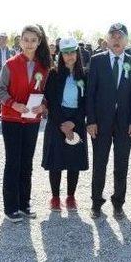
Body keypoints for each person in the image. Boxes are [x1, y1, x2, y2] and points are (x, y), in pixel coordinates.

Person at [0, 25, 51, 222]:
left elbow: (48, 93)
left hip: (32, 121)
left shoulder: (44, 66)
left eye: (33, 40)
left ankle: (24, 203)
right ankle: (11, 207)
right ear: (20, 41)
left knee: (26, 163)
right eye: (26, 39)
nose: (29, 43)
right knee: (13, 162)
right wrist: (12, 104)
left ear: (39, 42)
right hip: (12, 119)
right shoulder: (10, 63)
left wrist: (43, 106)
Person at [86, 23, 131, 219]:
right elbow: (90, 93)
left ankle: (118, 203)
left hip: (125, 123)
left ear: (126, 40)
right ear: (107, 39)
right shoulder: (97, 60)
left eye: (120, 36)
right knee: (100, 163)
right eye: (113, 36)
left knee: (121, 164)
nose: (116, 39)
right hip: (100, 122)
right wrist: (90, 120)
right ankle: (96, 203)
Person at [42, 37, 88, 212]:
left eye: (72, 52)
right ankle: (55, 197)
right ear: (61, 55)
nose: (69, 56)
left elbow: (85, 102)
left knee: (73, 160)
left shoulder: (84, 75)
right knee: (56, 160)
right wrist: (63, 123)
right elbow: (52, 101)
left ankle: (70, 196)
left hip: (76, 121)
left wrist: (74, 123)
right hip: (57, 121)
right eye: (65, 53)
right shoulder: (54, 74)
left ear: (77, 53)